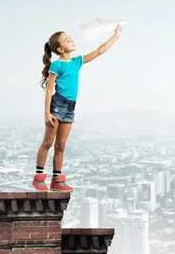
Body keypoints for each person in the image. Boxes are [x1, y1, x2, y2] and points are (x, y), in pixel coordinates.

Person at [32, 24, 122, 191]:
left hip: (70, 107)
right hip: (57, 105)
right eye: (67, 40)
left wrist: (115, 36)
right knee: (48, 142)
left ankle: (56, 181)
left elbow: (99, 51)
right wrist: (47, 113)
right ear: (60, 49)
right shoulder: (56, 65)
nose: (71, 40)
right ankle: (38, 178)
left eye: (70, 37)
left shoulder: (76, 62)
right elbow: (49, 89)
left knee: (61, 145)